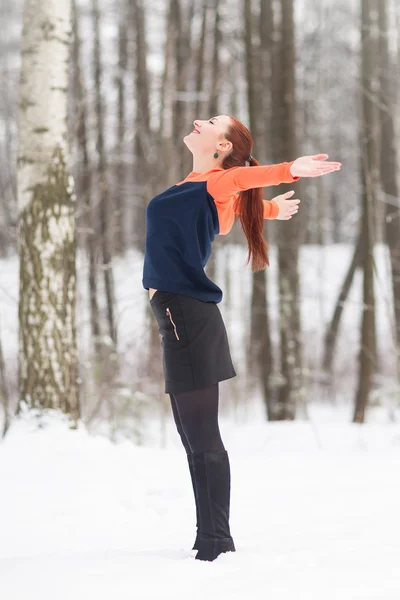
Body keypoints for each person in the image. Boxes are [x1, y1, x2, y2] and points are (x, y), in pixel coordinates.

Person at [142, 114, 341, 561]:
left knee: (201, 433)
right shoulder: (196, 185)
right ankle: (207, 534)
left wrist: (291, 169)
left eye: (211, 121)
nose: (197, 119)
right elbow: (234, 210)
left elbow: (247, 178)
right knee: (189, 432)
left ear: (224, 146)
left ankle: (217, 541)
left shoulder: (217, 181)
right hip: (177, 313)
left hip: (187, 315)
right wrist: (270, 209)